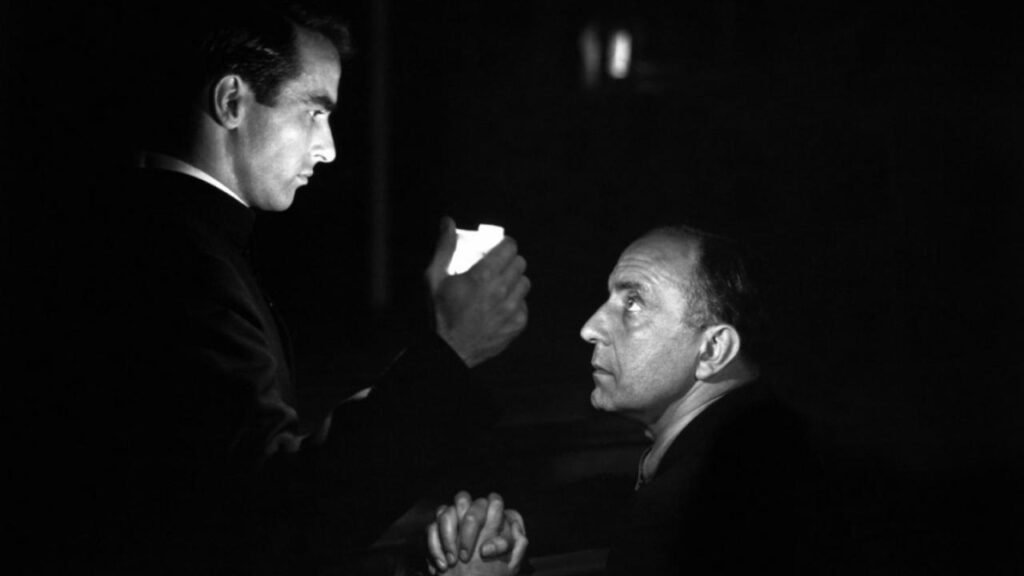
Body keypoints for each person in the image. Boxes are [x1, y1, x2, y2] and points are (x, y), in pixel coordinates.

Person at [65, 2, 530, 574]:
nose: (328, 148)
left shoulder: (166, 235)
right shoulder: (181, 264)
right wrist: (452, 350)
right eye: (313, 112)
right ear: (232, 102)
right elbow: (268, 520)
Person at [429, 225, 823, 575]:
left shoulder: (705, 509)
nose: (590, 328)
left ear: (713, 350)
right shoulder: (748, 464)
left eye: (633, 303)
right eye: (610, 299)